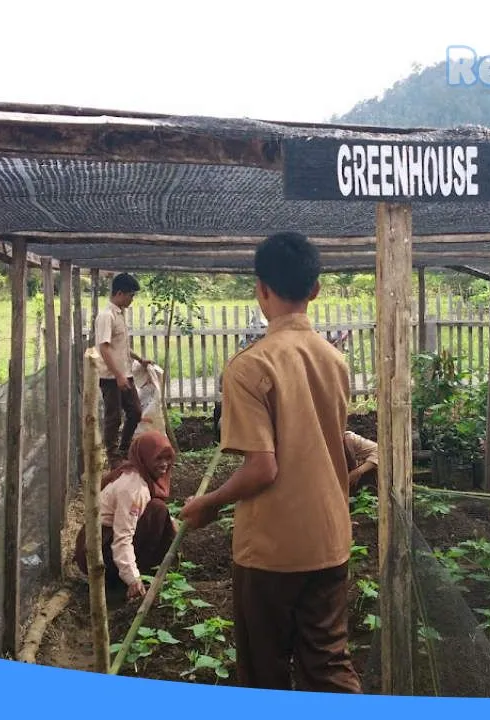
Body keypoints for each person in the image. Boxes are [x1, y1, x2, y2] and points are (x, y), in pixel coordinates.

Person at [180, 231, 361, 693]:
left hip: (272, 551)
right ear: (315, 289)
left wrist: (210, 503)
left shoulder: (250, 366)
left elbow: (263, 467)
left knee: (265, 672)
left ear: (260, 289)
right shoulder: (334, 359)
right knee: (328, 663)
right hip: (329, 536)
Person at [74, 430, 177, 602]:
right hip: (96, 552)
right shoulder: (133, 488)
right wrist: (132, 578)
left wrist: (172, 522)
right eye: (158, 458)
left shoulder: (139, 474)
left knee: (159, 512)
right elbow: (122, 538)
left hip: (99, 542)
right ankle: (124, 580)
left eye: (167, 458)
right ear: (145, 457)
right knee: (158, 511)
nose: (165, 464)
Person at [95, 272, 153, 466]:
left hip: (124, 375)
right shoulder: (106, 316)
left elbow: (120, 346)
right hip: (111, 377)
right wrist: (118, 375)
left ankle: (124, 449)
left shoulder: (119, 315)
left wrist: (139, 359)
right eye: (130, 295)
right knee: (113, 417)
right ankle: (113, 457)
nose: (132, 299)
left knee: (135, 412)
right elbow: (103, 347)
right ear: (119, 293)